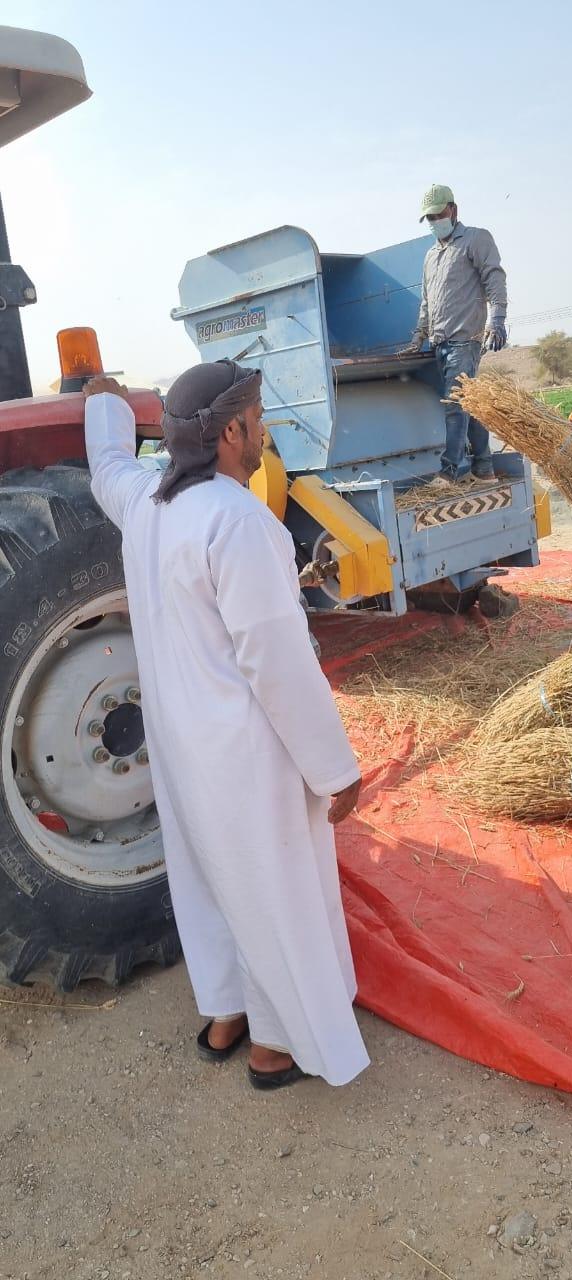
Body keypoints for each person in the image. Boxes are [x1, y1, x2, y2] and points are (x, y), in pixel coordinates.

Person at [83, 360, 369, 1091]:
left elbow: (108, 465)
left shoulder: (148, 499)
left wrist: (103, 408)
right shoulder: (238, 521)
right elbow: (277, 664)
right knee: (274, 888)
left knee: (210, 875)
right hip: (247, 749)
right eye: (259, 414)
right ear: (231, 431)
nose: (265, 427)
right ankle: (276, 1047)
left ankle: (226, 1014)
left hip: (181, 742)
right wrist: (334, 771)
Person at [405, 183, 508, 488]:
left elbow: (494, 277)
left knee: (455, 404)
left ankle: (449, 471)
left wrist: (497, 319)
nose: (434, 221)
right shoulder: (431, 256)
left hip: (465, 339)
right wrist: (418, 336)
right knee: (470, 406)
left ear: (453, 209)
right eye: (429, 218)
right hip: (441, 343)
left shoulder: (476, 239)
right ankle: (485, 468)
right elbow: (427, 300)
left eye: (438, 214)